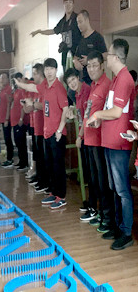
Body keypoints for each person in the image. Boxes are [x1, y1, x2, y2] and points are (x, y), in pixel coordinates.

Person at [86, 39, 134, 250]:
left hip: (119, 143)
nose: (106, 57)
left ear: (116, 57)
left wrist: (97, 114)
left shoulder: (124, 79)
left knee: (122, 190)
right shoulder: (117, 79)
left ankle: (126, 232)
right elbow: (111, 110)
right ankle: (116, 226)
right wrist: (99, 119)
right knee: (114, 187)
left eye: (109, 54)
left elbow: (116, 112)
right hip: (109, 142)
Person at [18, 59, 70, 208]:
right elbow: (32, 87)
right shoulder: (45, 86)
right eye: (47, 69)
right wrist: (19, 84)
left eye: (51, 69)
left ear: (56, 70)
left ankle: (61, 196)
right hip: (47, 133)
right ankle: (53, 192)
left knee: (58, 166)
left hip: (57, 133)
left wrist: (59, 130)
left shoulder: (59, 88)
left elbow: (65, 110)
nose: (49, 72)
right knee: (50, 165)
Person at [81, 51, 114, 233]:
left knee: (103, 181)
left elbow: (110, 112)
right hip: (90, 139)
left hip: (101, 141)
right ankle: (101, 213)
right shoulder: (93, 86)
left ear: (102, 66)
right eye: (89, 66)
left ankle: (108, 217)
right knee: (94, 180)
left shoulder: (107, 85)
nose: (92, 69)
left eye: (95, 65)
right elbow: (89, 112)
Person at [64, 67, 96, 218]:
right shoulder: (76, 94)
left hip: (90, 137)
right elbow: (80, 115)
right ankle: (91, 203)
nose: (72, 83)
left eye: (73, 79)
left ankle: (94, 207)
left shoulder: (87, 91)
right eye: (69, 82)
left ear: (78, 77)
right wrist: (71, 111)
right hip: (84, 137)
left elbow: (87, 117)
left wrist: (80, 136)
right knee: (88, 173)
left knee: (93, 174)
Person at [30, 0, 81, 72]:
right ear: (63, 5)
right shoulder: (62, 21)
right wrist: (40, 31)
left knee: (75, 75)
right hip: (65, 55)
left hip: (76, 54)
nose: (68, 5)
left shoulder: (77, 18)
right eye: (66, 3)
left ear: (73, 4)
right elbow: (53, 31)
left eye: (70, 2)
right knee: (67, 75)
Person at [9, 73, 29, 170]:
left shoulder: (22, 91)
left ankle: (24, 163)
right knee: (17, 142)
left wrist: (21, 119)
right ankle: (21, 160)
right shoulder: (16, 91)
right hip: (14, 121)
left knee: (21, 142)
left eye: (17, 80)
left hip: (19, 121)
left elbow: (22, 106)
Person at [0, 73, 15, 167]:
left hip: (6, 118)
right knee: (6, 138)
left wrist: (6, 119)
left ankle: (10, 159)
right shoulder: (2, 90)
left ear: (8, 79)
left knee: (8, 139)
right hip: (2, 118)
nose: (2, 80)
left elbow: (9, 105)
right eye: (1, 78)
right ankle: (8, 157)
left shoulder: (9, 90)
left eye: (4, 78)